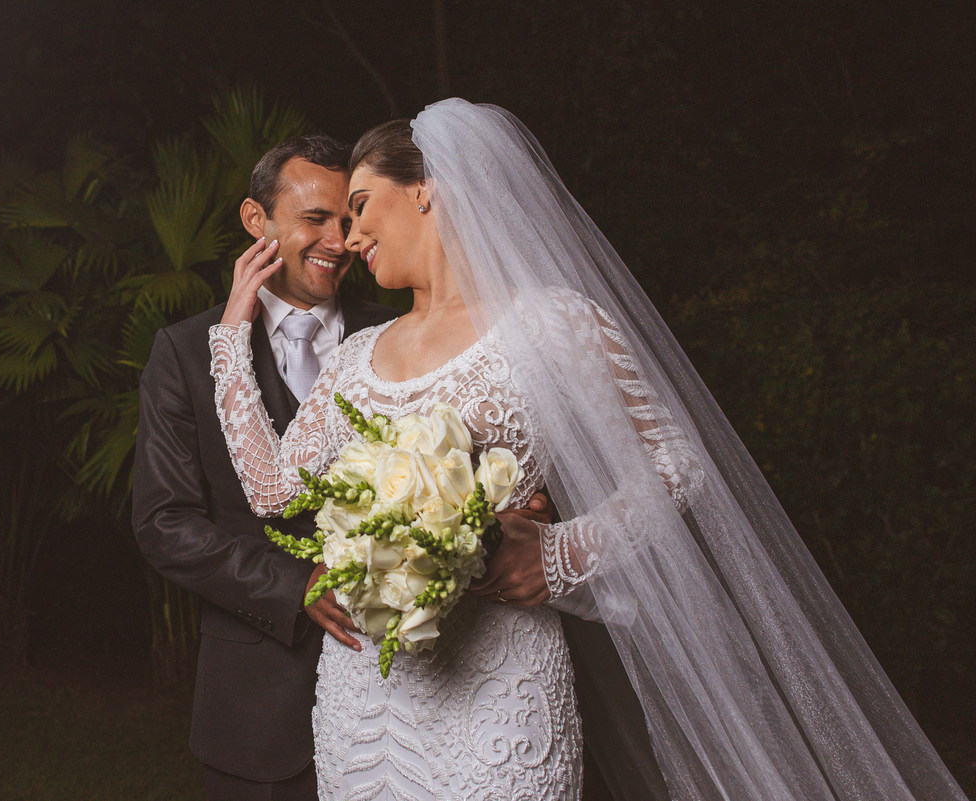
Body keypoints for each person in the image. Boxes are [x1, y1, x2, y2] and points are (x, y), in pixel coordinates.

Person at [209, 100, 969, 800]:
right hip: (363, 705)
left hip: (498, 684)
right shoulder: (353, 357)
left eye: (362, 207)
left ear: (428, 188)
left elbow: (676, 461)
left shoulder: (553, 324)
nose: (348, 238)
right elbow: (275, 491)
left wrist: (562, 552)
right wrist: (230, 336)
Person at [132, 135, 398, 800]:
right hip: (256, 709)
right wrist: (295, 584)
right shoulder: (187, 352)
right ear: (258, 220)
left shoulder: (393, 335)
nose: (338, 241)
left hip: (399, 699)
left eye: (348, 219)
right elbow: (165, 522)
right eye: (315, 220)